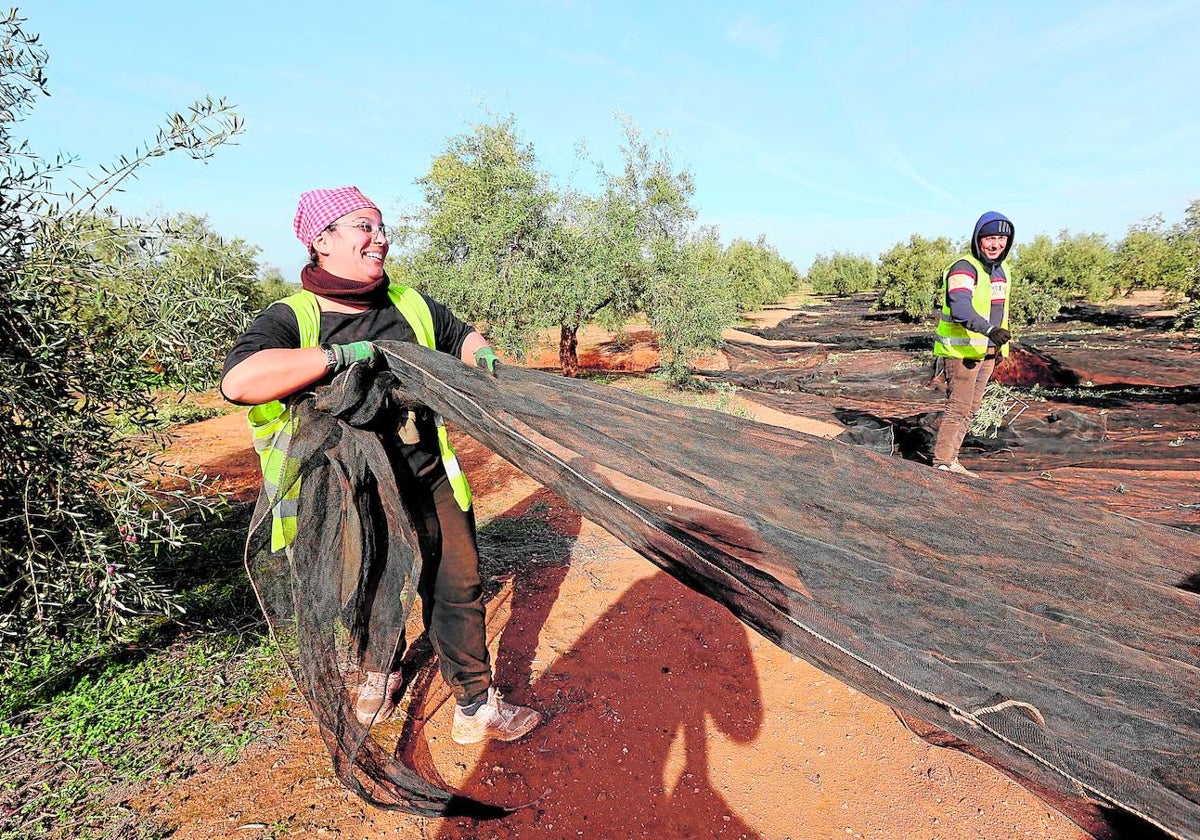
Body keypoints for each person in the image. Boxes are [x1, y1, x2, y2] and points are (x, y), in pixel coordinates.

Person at [221, 186, 541, 743]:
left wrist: (480, 355)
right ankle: (379, 672)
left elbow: (461, 336)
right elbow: (240, 381)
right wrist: (337, 357)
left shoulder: (410, 304)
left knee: (456, 583)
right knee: (365, 582)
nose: (381, 238)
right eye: (364, 227)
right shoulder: (292, 317)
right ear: (323, 241)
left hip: (424, 472)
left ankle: (474, 701)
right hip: (345, 488)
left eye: (383, 227)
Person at [931, 211, 1015, 478]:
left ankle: (952, 459)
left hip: (987, 352)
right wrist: (991, 331)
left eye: (1002, 239)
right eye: (990, 238)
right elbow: (961, 308)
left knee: (972, 408)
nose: (995, 244)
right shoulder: (964, 268)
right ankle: (943, 462)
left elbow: (999, 310)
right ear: (978, 239)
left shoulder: (1002, 272)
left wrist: (999, 348)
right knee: (958, 406)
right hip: (962, 352)